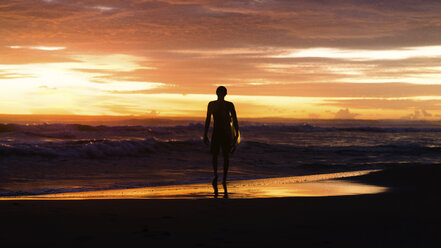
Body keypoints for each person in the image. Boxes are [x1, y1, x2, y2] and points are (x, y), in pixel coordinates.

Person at [204, 86, 239, 197]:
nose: (221, 94)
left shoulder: (228, 105)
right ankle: (218, 176)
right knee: (217, 155)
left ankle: (222, 177)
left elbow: (235, 119)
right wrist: (205, 134)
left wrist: (236, 134)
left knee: (223, 156)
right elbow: (208, 119)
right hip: (218, 133)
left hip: (225, 133)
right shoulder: (213, 104)